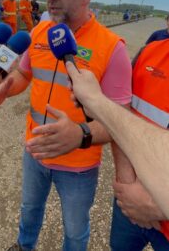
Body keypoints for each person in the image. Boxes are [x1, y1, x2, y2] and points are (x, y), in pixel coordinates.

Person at [0, 0, 132, 251]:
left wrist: (80, 136)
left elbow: (120, 124)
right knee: (29, 211)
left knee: (75, 230)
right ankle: (24, 246)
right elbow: (24, 75)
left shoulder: (111, 48)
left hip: (78, 166)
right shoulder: (40, 31)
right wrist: (2, 90)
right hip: (34, 150)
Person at [64, 61, 169, 240]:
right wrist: (126, 182)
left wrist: (157, 204)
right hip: (129, 198)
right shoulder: (151, 49)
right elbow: (122, 116)